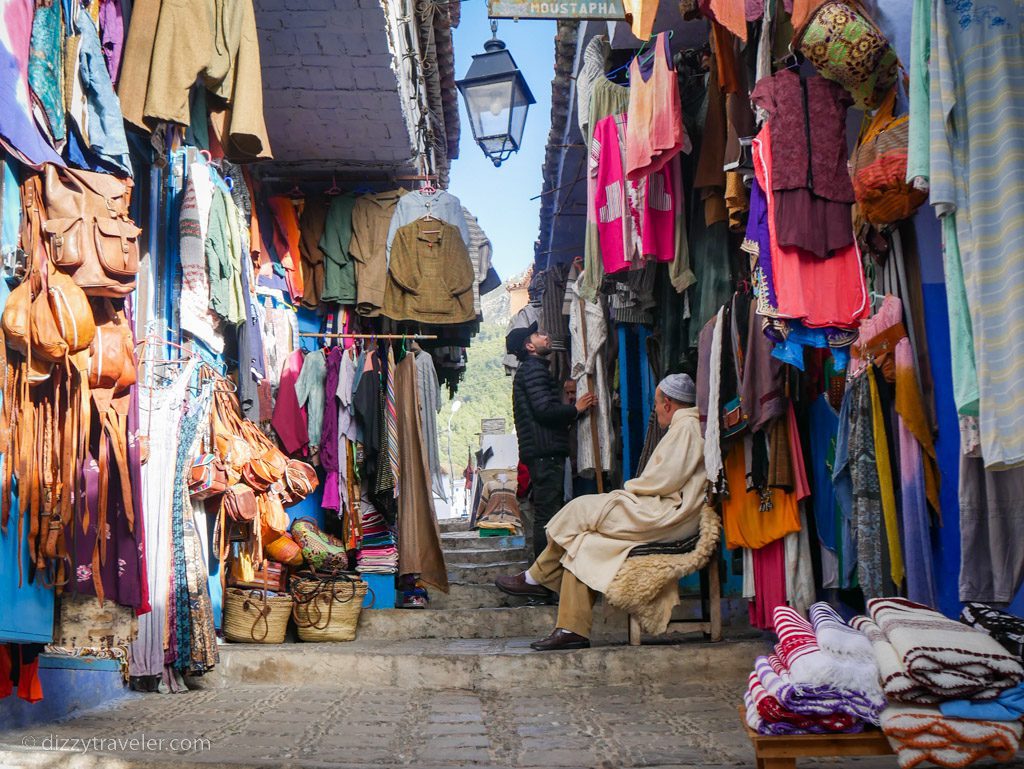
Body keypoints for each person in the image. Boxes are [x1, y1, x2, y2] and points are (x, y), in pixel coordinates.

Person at [496, 373, 706, 651]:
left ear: (667, 403)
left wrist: (631, 489)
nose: (655, 410)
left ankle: (538, 578)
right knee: (583, 545)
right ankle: (572, 628)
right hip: (661, 507)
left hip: (668, 514)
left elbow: (666, 479)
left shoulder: (687, 428)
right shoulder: (684, 427)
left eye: (656, 404)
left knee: (582, 507)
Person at [507, 322, 597, 564]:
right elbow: (544, 410)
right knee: (548, 516)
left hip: (540, 450)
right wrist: (574, 409)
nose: (545, 337)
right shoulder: (534, 370)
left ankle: (543, 577)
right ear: (529, 346)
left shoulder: (530, 370)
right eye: (538, 335)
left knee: (547, 514)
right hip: (545, 451)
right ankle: (543, 578)